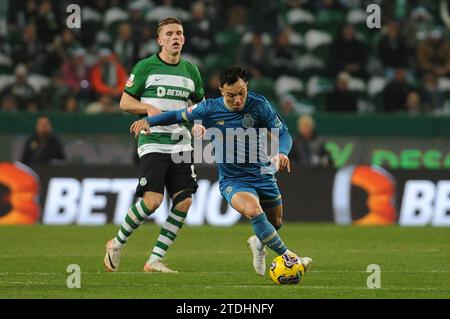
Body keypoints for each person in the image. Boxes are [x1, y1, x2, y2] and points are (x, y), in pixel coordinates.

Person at [129, 66, 313, 276]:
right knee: (254, 211)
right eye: (231, 95)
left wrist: (282, 152)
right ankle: (291, 258)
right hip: (234, 180)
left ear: (247, 87)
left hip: (263, 174)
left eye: (242, 93)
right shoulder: (208, 109)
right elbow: (176, 115)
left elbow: (284, 134)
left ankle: (258, 243)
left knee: (276, 223)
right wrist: (148, 121)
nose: (237, 100)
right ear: (221, 90)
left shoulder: (260, 105)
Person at [104, 17, 205, 273]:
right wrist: (147, 107)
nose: (175, 37)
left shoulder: (191, 71)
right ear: (160, 40)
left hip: (182, 144)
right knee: (152, 201)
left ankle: (154, 260)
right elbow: (125, 102)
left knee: (183, 203)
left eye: (179, 33)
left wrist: (199, 123)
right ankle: (116, 243)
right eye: (169, 33)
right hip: (154, 142)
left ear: (184, 38)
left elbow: (199, 106)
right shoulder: (146, 67)